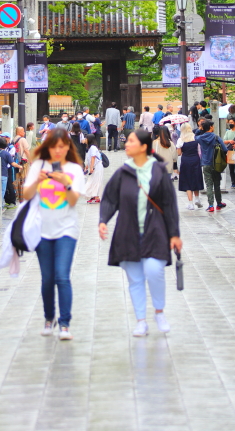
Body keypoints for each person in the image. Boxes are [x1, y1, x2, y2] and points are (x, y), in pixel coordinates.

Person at [99, 129, 182, 337]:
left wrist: (174, 234)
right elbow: (109, 198)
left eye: (131, 142)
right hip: (127, 232)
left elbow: (169, 204)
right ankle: (141, 321)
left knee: (155, 271)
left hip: (155, 231)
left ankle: (159, 312)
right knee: (135, 279)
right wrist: (103, 221)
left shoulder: (159, 171)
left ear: (144, 147)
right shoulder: (123, 172)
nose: (126, 144)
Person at [21, 128, 84, 341]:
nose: (58, 151)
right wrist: (38, 181)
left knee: (62, 276)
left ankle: (64, 324)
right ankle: (49, 318)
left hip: (67, 229)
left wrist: (66, 183)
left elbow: (74, 201)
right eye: (54, 147)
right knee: (47, 278)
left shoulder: (75, 169)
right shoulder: (38, 166)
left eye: (62, 146)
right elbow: (25, 195)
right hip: (42, 231)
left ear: (68, 147)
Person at [196, 119, 228, 213]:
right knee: (217, 184)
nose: (213, 127)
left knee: (209, 185)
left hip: (205, 164)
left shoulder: (200, 138)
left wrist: (200, 128)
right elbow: (225, 149)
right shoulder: (216, 137)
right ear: (210, 127)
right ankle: (219, 203)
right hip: (216, 164)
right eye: (212, 126)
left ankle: (210, 205)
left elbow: (195, 136)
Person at [177, 124, 204, 210]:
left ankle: (190, 203)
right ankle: (197, 198)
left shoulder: (181, 140)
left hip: (186, 160)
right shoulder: (196, 138)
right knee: (196, 178)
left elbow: (179, 153)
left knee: (187, 181)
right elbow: (199, 151)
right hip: (195, 159)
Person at [0, 137, 23, 209]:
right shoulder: (6, 154)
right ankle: (0, 206)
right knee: (2, 191)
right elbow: (13, 164)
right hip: (3, 174)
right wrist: (20, 166)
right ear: (5, 145)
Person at [13, 126, 31, 201]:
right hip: (23, 161)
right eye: (23, 131)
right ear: (19, 132)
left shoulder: (13, 139)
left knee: (17, 178)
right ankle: (23, 196)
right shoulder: (23, 139)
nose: (24, 133)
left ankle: (17, 194)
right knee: (24, 179)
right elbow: (26, 151)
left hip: (16, 161)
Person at [85, 134, 104, 203]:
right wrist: (87, 166)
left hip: (97, 167)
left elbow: (93, 157)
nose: (85, 139)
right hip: (96, 166)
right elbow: (90, 158)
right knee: (94, 181)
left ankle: (94, 195)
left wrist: (91, 168)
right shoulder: (91, 147)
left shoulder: (92, 147)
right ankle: (95, 196)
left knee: (95, 181)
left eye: (86, 138)